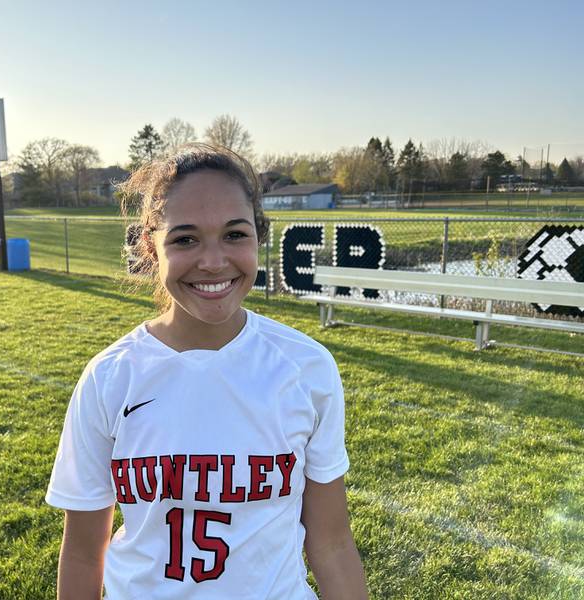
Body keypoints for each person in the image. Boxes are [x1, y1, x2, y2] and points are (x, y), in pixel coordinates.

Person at [46, 145, 368, 599]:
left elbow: (331, 544)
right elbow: (82, 552)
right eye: (185, 239)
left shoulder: (306, 368)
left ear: (258, 237)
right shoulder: (110, 378)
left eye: (234, 235)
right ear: (149, 247)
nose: (213, 262)